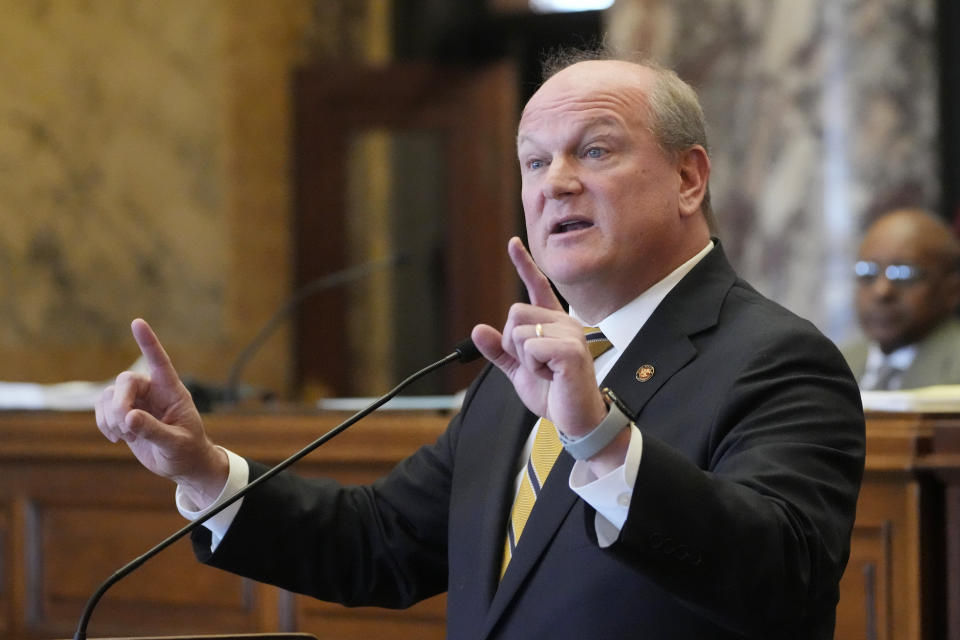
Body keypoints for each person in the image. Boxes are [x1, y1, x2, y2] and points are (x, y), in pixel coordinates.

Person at [95, 50, 865, 639]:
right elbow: (380, 544)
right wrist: (201, 468)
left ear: (689, 179)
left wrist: (598, 438)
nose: (554, 182)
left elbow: (786, 583)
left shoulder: (777, 361)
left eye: (594, 151)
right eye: (535, 161)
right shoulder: (515, 372)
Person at [842, 207, 960, 390]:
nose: (882, 291)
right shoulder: (835, 363)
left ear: (952, 290)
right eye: (868, 272)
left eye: (904, 274)